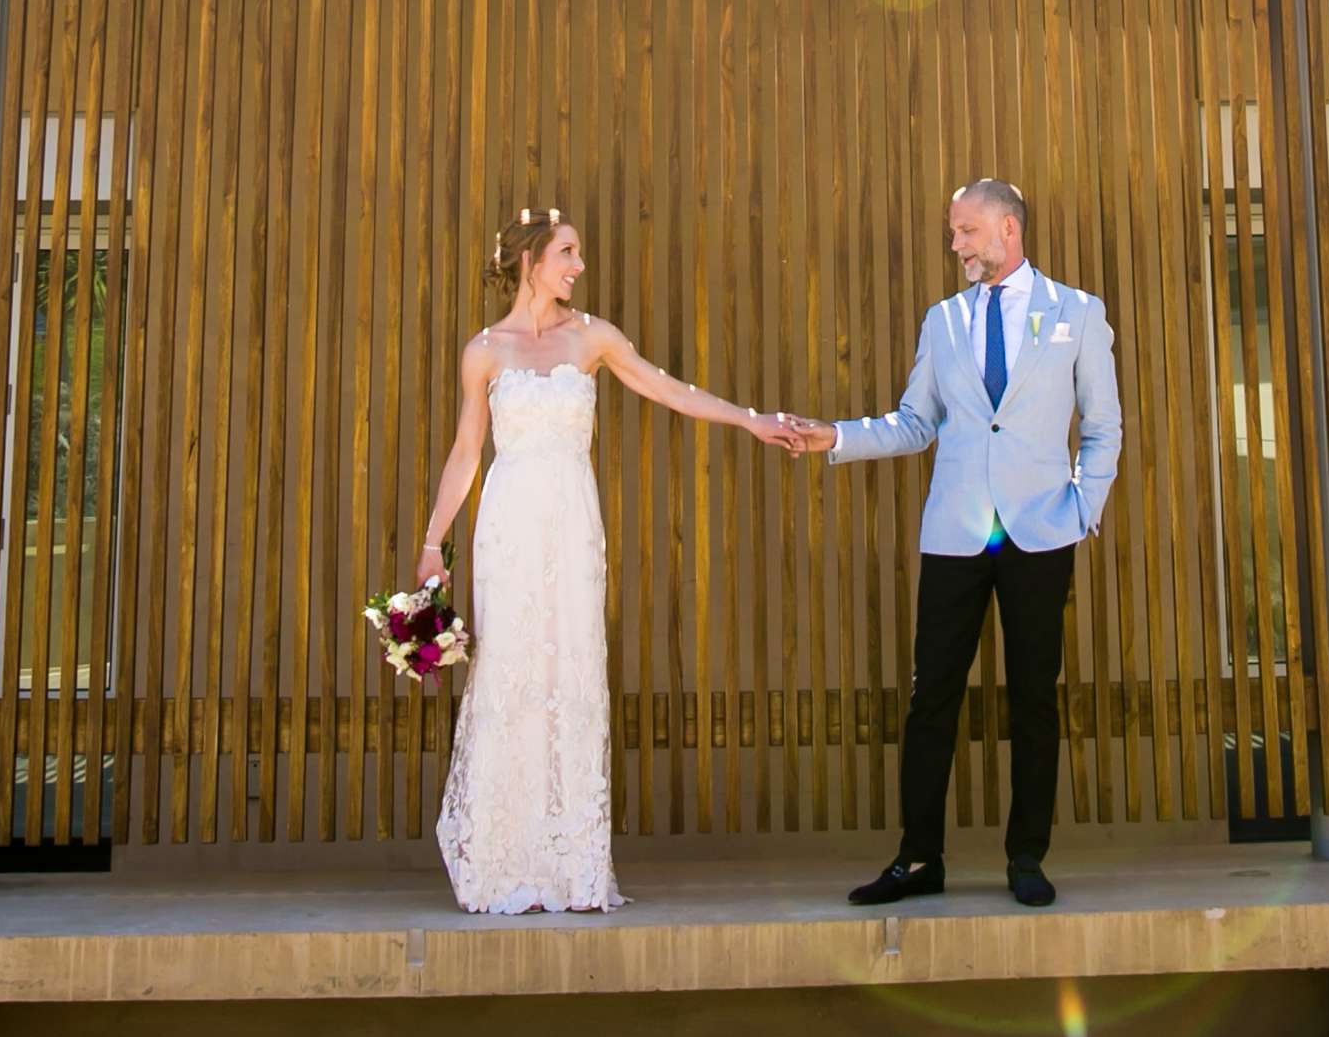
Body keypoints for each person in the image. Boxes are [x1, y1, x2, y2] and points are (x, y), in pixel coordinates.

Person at [420, 205, 792, 915]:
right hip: (509, 525)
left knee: (572, 671)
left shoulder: (593, 337)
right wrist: (432, 543)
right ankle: (502, 861)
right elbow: (467, 452)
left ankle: (570, 864)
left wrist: (750, 418)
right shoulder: (485, 351)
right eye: (568, 253)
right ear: (532, 262)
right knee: (511, 673)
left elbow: (665, 387)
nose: (579, 266)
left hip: (571, 522)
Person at [784, 178, 1121, 910]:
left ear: (1008, 229)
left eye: (966, 231)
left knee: (1034, 699)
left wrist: (1081, 509)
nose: (956, 245)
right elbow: (914, 422)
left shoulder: (1078, 313)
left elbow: (1103, 425)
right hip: (956, 536)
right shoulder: (942, 321)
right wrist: (833, 437)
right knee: (930, 699)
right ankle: (918, 859)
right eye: (954, 233)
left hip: (1040, 533)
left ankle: (1026, 855)